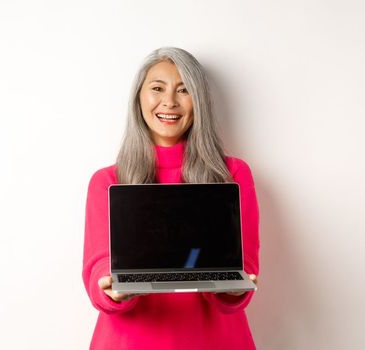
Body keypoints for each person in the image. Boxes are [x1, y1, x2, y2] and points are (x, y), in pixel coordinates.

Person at [82, 47, 260, 349]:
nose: (169, 102)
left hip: (214, 340)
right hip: (130, 341)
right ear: (139, 98)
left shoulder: (233, 173)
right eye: (157, 89)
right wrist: (112, 288)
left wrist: (233, 289)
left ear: (199, 101)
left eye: (184, 90)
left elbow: (245, 266)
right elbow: (98, 265)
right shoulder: (108, 180)